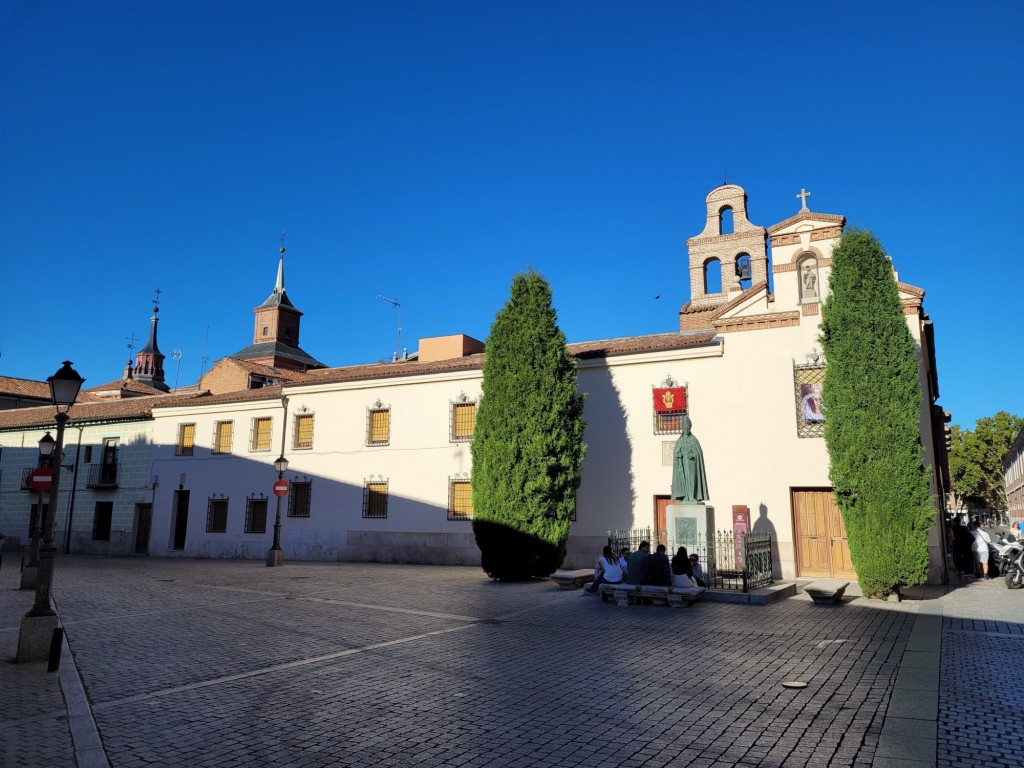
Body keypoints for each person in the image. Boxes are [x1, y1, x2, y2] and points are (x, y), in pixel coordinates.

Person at [671, 416, 709, 503]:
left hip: (692, 466)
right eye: (685, 429)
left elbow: (699, 453)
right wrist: (678, 455)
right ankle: (684, 497)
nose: (686, 431)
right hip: (682, 465)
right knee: (683, 481)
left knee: (692, 481)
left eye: (688, 429)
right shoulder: (679, 441)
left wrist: (693, 455)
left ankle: (694, 497)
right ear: (682, 429)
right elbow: (675, 452)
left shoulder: (694, 440)